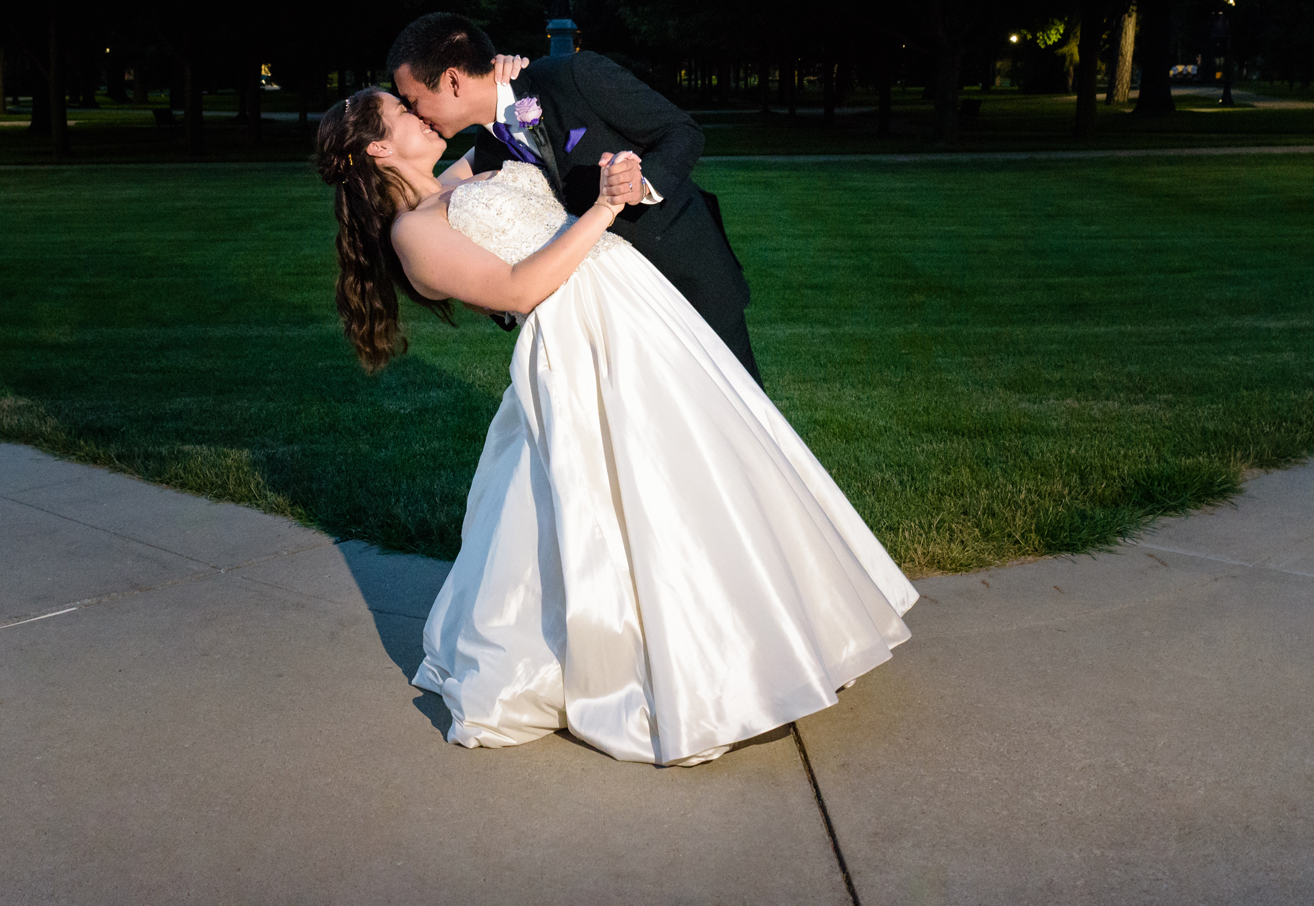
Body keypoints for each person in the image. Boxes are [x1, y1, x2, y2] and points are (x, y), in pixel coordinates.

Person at [314, 86, 917, 767]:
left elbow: (513, 142)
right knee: (640, 494)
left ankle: (773, 639)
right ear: (377, 148)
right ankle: (688, 677)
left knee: (706, 469)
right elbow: (516, 289)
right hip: (582, 336)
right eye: (403, 115)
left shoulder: (459, 175)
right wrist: (601, 208)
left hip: (635, 305)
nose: (422, 117)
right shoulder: (412, 232)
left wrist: (510, 98)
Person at [387, 12, 761, 382]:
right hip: (614, 322)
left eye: (412, 100)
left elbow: (683, 131)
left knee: (742, 425)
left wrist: (642, 184)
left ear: (452, 79)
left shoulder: (575, 77)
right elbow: (429, 201)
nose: (415, 114)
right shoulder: (487, 150)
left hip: (688, 278)